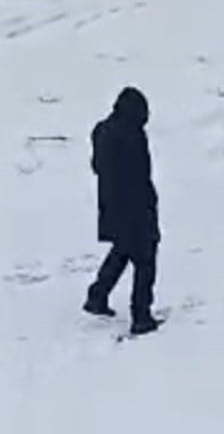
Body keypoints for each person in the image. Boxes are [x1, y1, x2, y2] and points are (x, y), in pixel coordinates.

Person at [83, 86, 162, 335]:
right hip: (135, 207)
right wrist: (149, 203)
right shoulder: (132, 134)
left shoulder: (102, 130)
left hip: (111, 206)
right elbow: (139, 175)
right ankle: (141, 316)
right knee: (145, 258)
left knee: (123, 250)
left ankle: (97, 295)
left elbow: (97, 167)